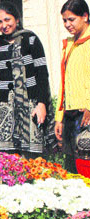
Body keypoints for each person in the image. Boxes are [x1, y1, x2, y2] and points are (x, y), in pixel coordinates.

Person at [0, 2, 56, 159]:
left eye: (7, 19)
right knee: (6, 159)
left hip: (30, 105)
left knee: (32, 159)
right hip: (4, 108)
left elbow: (42, 74)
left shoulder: (30, 39)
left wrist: (42, 104)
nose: (4, 25)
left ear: (17, 19)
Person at [55, 0, 90, 173]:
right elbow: (64, 82)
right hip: (71, 114)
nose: (67, 24)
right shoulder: (69, 44)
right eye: (64, 20)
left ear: (85, 16)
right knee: (72, 169)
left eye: (71, 19)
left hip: (86, 114)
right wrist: (59, 117)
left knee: (87, 168)